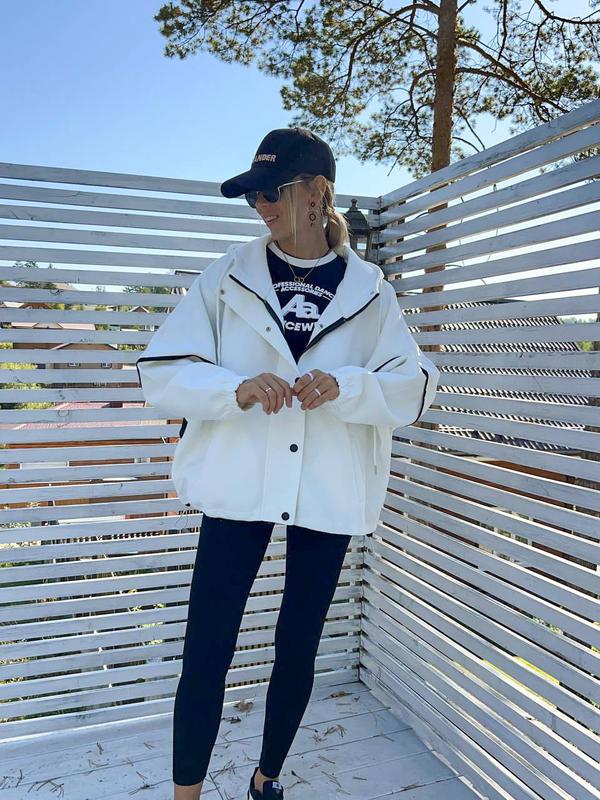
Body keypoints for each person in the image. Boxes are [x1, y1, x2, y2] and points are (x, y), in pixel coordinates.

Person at [135, 127, 440, 800]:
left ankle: (265, 777)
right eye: (252, 197)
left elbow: (414, 386)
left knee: (298, 644)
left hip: (327, 485)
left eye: (272, 191)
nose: (261, 207)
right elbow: (161, 369)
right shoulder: (229, 275)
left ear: (317, 193)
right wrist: (234, 389)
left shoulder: (371, 290)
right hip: (238, 480)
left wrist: (348, 385)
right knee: (207, 648)